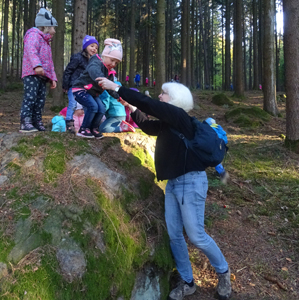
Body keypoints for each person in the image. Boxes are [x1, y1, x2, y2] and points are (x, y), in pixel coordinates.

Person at [97, 78, 232, 300]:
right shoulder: (170, 124)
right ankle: (188, 282)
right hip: (173, 184)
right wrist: (131, 107)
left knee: (197, 236)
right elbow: (149, 127)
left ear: (175, 100)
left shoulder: (180, 118)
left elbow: (152, 105)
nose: (160, 96)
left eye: (163, 94)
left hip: (192, 182)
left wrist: (117, 88)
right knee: (175, 235)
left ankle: (223, 272)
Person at [72, 38, 123, 139]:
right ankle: (83, 129)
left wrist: (118, 96)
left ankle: (93, 128)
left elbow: (110, 87)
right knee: (93, 107)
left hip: (93, 93)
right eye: (112, 60)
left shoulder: (110, 72)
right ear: (105, 55)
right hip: (81, 89)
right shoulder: (96, 61)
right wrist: (103, 79)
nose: (113, 64)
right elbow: (93, 70)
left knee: (101, 109)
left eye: (116, 63)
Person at [19, 8, 58, 133]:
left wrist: (53, 78)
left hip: (43, 76)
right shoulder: (33, 35)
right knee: (30, 97)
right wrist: (36, 65)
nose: (54, 31)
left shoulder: (46, 42)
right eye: (53, 28)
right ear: (46, 27)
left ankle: (36, 121)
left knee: (41, 100)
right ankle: (26, 122)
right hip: (31, 73)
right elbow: (31, 51)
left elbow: (50, 62)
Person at [62, 35, 99, 133]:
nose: (94, 49)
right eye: (92, 46)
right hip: (74, 85)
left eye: (96, 47)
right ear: (86, 46)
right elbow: (68, 71)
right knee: (73, 104)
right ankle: (69, 123)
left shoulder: (93, 61)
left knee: (87, 105)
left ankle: (85, 126)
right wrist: (65, 84)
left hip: (86, 87)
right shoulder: (77, 57)